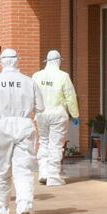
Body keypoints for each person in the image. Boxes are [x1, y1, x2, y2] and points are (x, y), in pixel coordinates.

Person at [0, 48, 44, 214]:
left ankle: (0, 208)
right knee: (23, 169)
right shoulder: (29, 81)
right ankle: (24, 206)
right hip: (24, 124)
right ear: (17, 60)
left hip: (2, 125)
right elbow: (40, 107)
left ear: (2, 61)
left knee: (1, 170)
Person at [32, 50, 80, 186]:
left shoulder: (37, 76)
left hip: (41, 114)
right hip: (58, 114)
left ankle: (43, 172)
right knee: (56, 145)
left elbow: (32, 96)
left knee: (44, 142)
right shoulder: (63, 76)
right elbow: (70, 97)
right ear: (59, 61)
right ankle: (53, 176)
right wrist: (75, 115)